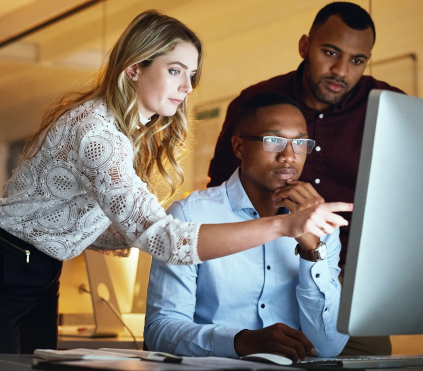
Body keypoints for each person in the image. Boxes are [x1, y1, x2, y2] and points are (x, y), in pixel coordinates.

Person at [0, 10, 352, 363]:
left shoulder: (125, 132)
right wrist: (282, 227)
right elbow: (163, 239)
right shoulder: (98, 133)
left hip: (37, 269)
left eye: (191, 75)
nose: (187, 87)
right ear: (134, 68)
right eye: (175, 71)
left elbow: (87, 223)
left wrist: (151, 230)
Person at [207, 2, 423, 357]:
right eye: (330, 52)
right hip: (263, 260)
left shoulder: (392, 108)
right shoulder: (256, 102)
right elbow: (219, 194)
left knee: (364, 361)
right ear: (305, 46)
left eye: (357, 60)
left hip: (354, 276)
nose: (340, 70)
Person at [145, 92, 349, 360]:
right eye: (273, 141)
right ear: (239, 147)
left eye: (299, 142)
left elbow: (328, 347)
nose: (289, 155)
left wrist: (312, 249)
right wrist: (240, 341)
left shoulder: (322, 224)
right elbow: (160, 331)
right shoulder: (189, 214)